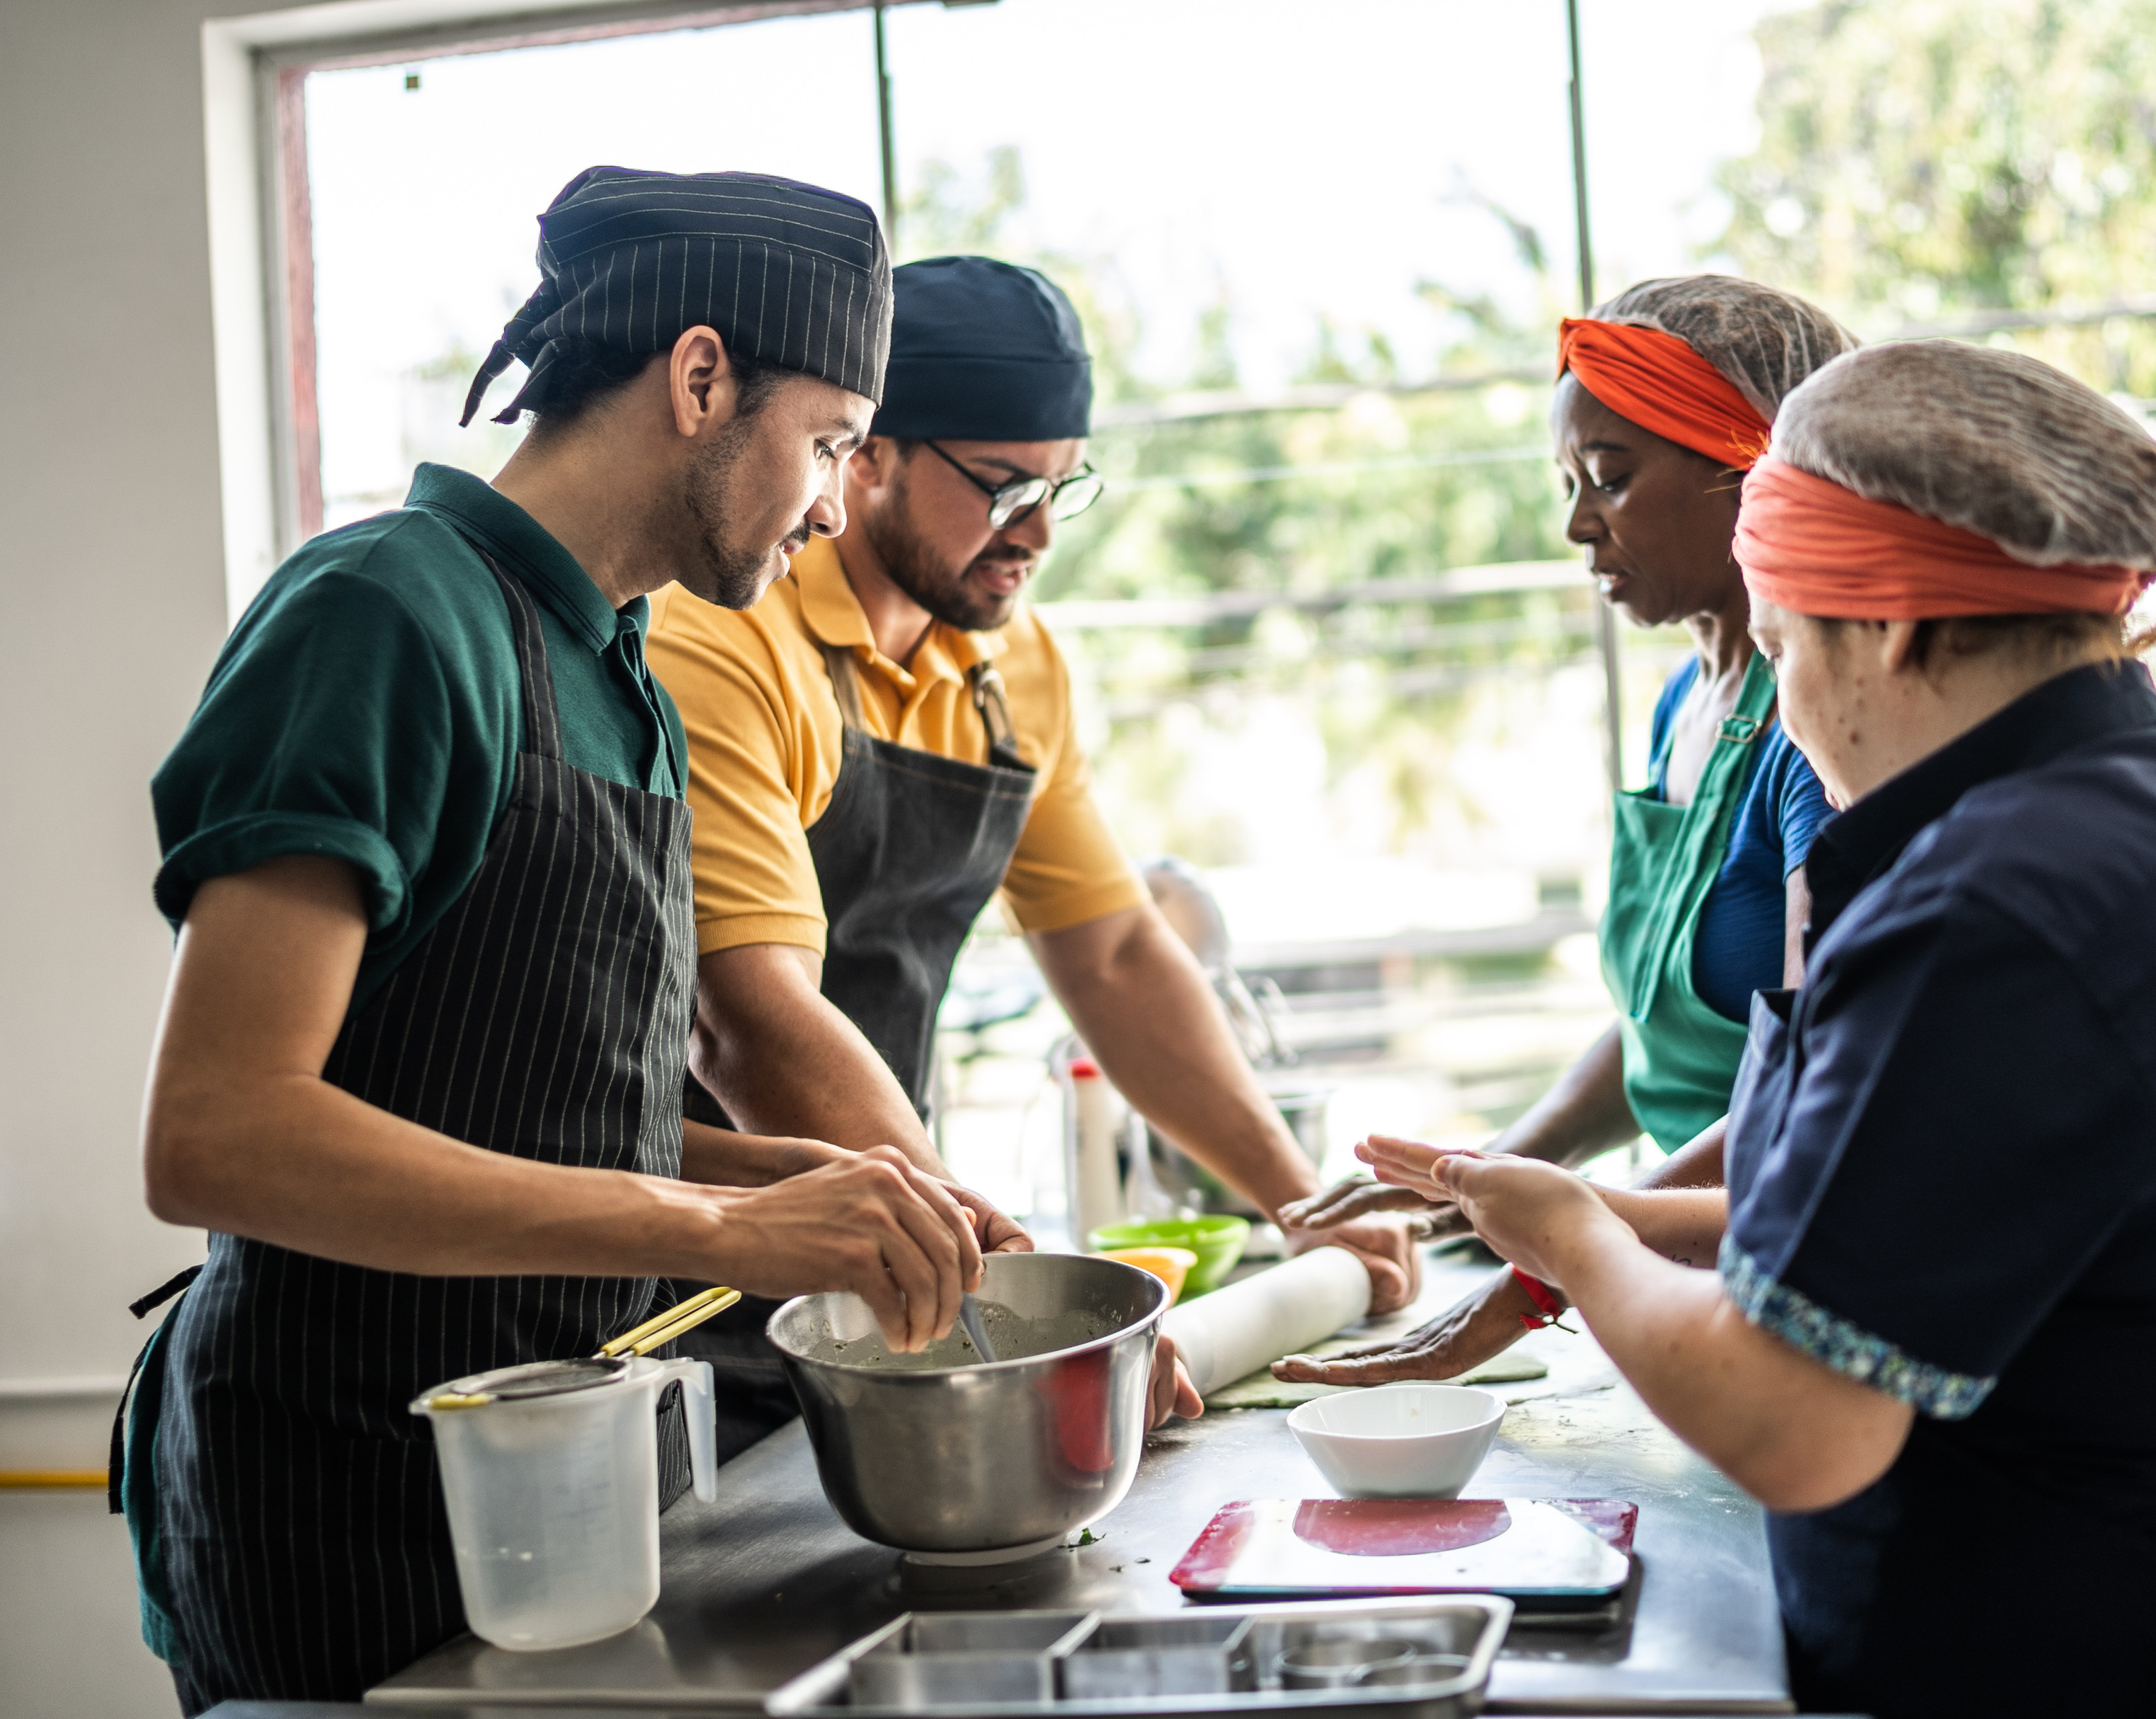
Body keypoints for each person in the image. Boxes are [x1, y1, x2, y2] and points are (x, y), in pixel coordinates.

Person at [123, 168, 1009, 1714]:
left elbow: (515, 1105)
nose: (828, 504)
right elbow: (218, 1133)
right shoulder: (383, 615)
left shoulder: (624, 678)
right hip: (338, 1509)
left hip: (544, 1507)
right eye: (828, 442)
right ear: (699, 376)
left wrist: (790, 1176)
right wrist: (715, 1231)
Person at [1355, 341, 2156, 1717]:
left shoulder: (1997, 908)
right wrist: (1584, 1209)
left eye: (1780, 646)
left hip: (2059, 1659)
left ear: (1891, 627)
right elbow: (1938, 1213)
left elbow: (1797, 1426)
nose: (1782, 701)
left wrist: (1576, 1241)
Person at [645, 255, 1416, 1445]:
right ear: (868, 455)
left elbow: (1110, 955)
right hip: (677, 1287)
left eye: (1066, 486)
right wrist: (1009, 1291)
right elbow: (748, 1017)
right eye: (1005, 488)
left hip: (901, 1260)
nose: (1041, 532)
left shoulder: (1017, 668)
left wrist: (1302, 1199)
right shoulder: (723, 634)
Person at [1278, 275, 1849, 1384]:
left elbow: (1809, 1092)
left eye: (1612, 478)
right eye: (1570, 482)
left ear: (1749, 468)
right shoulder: (1691, 700)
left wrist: (1549, 1263)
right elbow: (1657, 1022)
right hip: (1673, 1267)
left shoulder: (1824, 736)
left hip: (1779, 1277)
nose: (1578, 521)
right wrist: (1492, 1169)